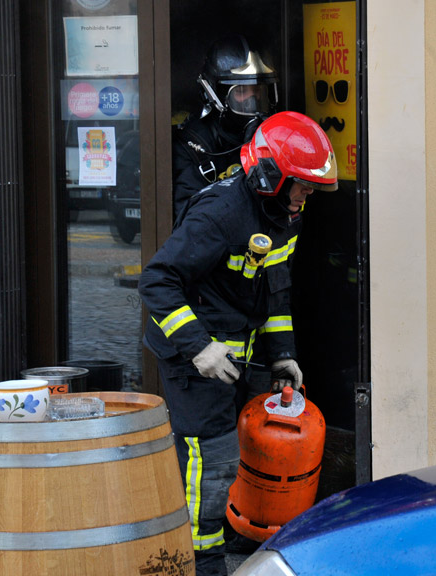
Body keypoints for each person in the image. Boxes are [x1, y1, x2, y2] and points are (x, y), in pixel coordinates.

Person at [139, 111, 337, 576]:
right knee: (210, 461)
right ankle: (196, 563)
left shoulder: (287, 213)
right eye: (302, 184)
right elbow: (158, 280)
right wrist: (198, 347)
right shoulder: (220, 214)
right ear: (272, 175)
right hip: (194, 356)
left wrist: (283, 354)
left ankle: (230, 548)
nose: (308, 194)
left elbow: (275, 286)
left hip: (237, 351)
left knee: (244, 454)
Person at [172, 35, 279, 218]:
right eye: (242, 92)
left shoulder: (273, 139)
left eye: (259, 91)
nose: (254, 101)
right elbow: (191, 220)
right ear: (214, 95)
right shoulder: (194, 148)